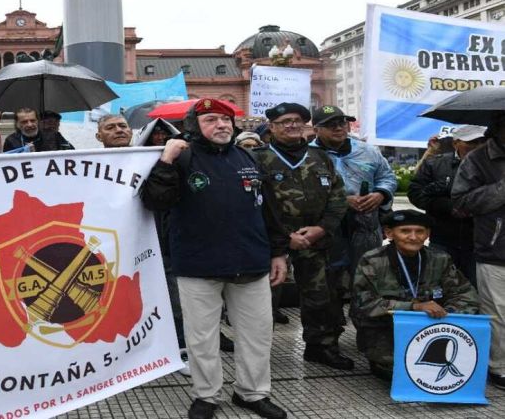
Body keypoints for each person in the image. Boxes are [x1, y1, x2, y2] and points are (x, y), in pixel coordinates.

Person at [142, 98, 287, 419]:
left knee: (257, 334)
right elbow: (155, 200)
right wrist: (166, 160)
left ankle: (251, 393)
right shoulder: (181, 158)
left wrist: (279, 252)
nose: (221, 125)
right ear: (194, 125)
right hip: (198, 264)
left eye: (225, 119)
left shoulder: (247, 157)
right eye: (211, 120)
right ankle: (206, 395)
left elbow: (269, 209)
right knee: (201, 338)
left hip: (250, 262)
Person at [253, 103, 353, 370]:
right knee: (263, 301)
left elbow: (338, 199)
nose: (292, 125)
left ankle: (321, 347)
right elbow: (251, 203)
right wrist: (286, 238)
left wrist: (322, 228)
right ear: (272, 127)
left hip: (315, 240)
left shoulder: (321, 158)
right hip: (271, 245)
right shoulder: (255, 159)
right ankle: (256, 356)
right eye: (285, 121)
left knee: (322, 296)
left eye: (297, 120)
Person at [351, 210, 479, 381]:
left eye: (419, 231)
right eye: (405, 231)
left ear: (428, 234)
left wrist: (446, 315)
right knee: (401, 372)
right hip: (387, 328)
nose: (413, 237)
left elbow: (466, 294)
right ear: (389, 233)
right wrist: (414, 307)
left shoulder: (439, 258)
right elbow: (363, 304)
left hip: (432, 328)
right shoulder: (372, 260)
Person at [310, 105, 397, 288]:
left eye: (342, 122)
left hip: (365, 222)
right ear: (316, 129)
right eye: (330, 124)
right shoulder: (307, 154)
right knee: (328, 279)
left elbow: (387, 177)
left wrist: (381, 194)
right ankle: (334, 314)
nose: (338, 128)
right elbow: (303, 192)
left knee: (369, 274)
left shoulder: (368, 151)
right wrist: (341, 201)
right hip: (326, 226)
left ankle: (366, 314)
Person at [451, 112, 505, 389]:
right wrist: (501, 189)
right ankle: (499, 367)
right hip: (496, 249)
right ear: (497, 129)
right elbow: (461, 203)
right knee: (499, 312)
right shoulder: (478, 159)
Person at [407, 125, 487, 285]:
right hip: (442, 238)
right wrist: (449, 207)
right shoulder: (434, 164)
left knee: (477, 288)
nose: (476, 146)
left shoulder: (493, 166)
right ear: (456, 143)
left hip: (480, 241)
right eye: (471, 142)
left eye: (481, 141)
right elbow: (416, 194)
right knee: (439, 286)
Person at [3, 108, 73, 152]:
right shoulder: (11, 140)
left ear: (38, 121)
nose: (30, 125)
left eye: (33, 120)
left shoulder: (54, 135)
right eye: (24, 122)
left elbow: (72, 154)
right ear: (17, 124)